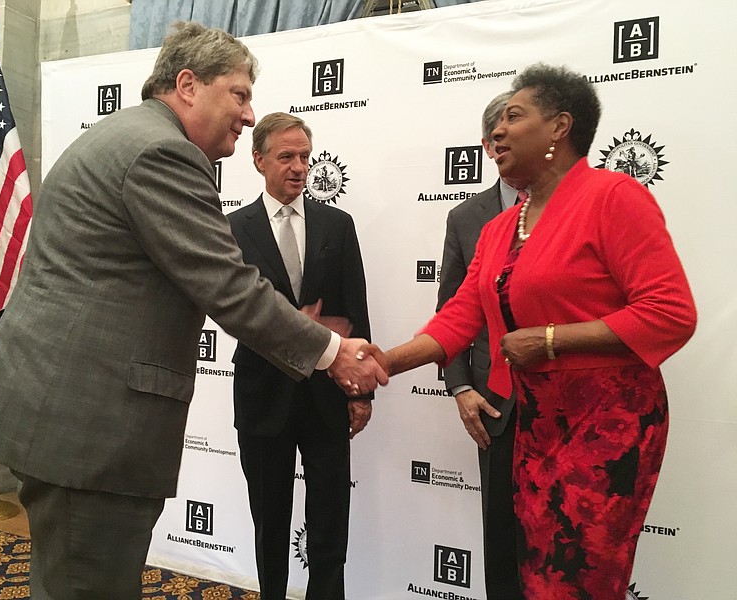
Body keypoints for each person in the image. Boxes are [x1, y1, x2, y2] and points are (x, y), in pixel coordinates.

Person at [0, 23, 386, 600]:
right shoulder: (162, 152)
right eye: (238, 93)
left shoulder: (124, 135)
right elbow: (229, 286)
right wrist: (332, 352)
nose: (250, 113)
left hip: (64, 417)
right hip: (91, 430)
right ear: (187, 85)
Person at [358, 64, 696, 599]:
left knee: (579, 577)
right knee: (536, 570)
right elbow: (459, 317)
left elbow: (670, 311)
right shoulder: (499, 228)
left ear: (560, 128)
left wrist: (552, 339)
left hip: (606, 421)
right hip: (533, 423)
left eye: (514, 117)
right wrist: (384, 362)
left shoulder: (614, 197)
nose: (496, 132)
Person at [228, 112, 371, 600]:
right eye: (286, 156)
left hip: (328, 394)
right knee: (270, 519)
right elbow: (233, 313)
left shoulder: (338, 225)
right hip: (262, 395)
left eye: (305, 157)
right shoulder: (231, 229)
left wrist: (362, 392)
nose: (299, 167)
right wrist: (302, 329)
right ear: (258, 160)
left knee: (331, 517)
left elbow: (356, 313)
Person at [436, 91, 523, 600]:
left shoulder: (580, 204)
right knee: (502, 539)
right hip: (494, 402)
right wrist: (460, 386)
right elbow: (453, 311)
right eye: (501, 132)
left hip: (568, 404)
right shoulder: (467, 218)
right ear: (489, 147)